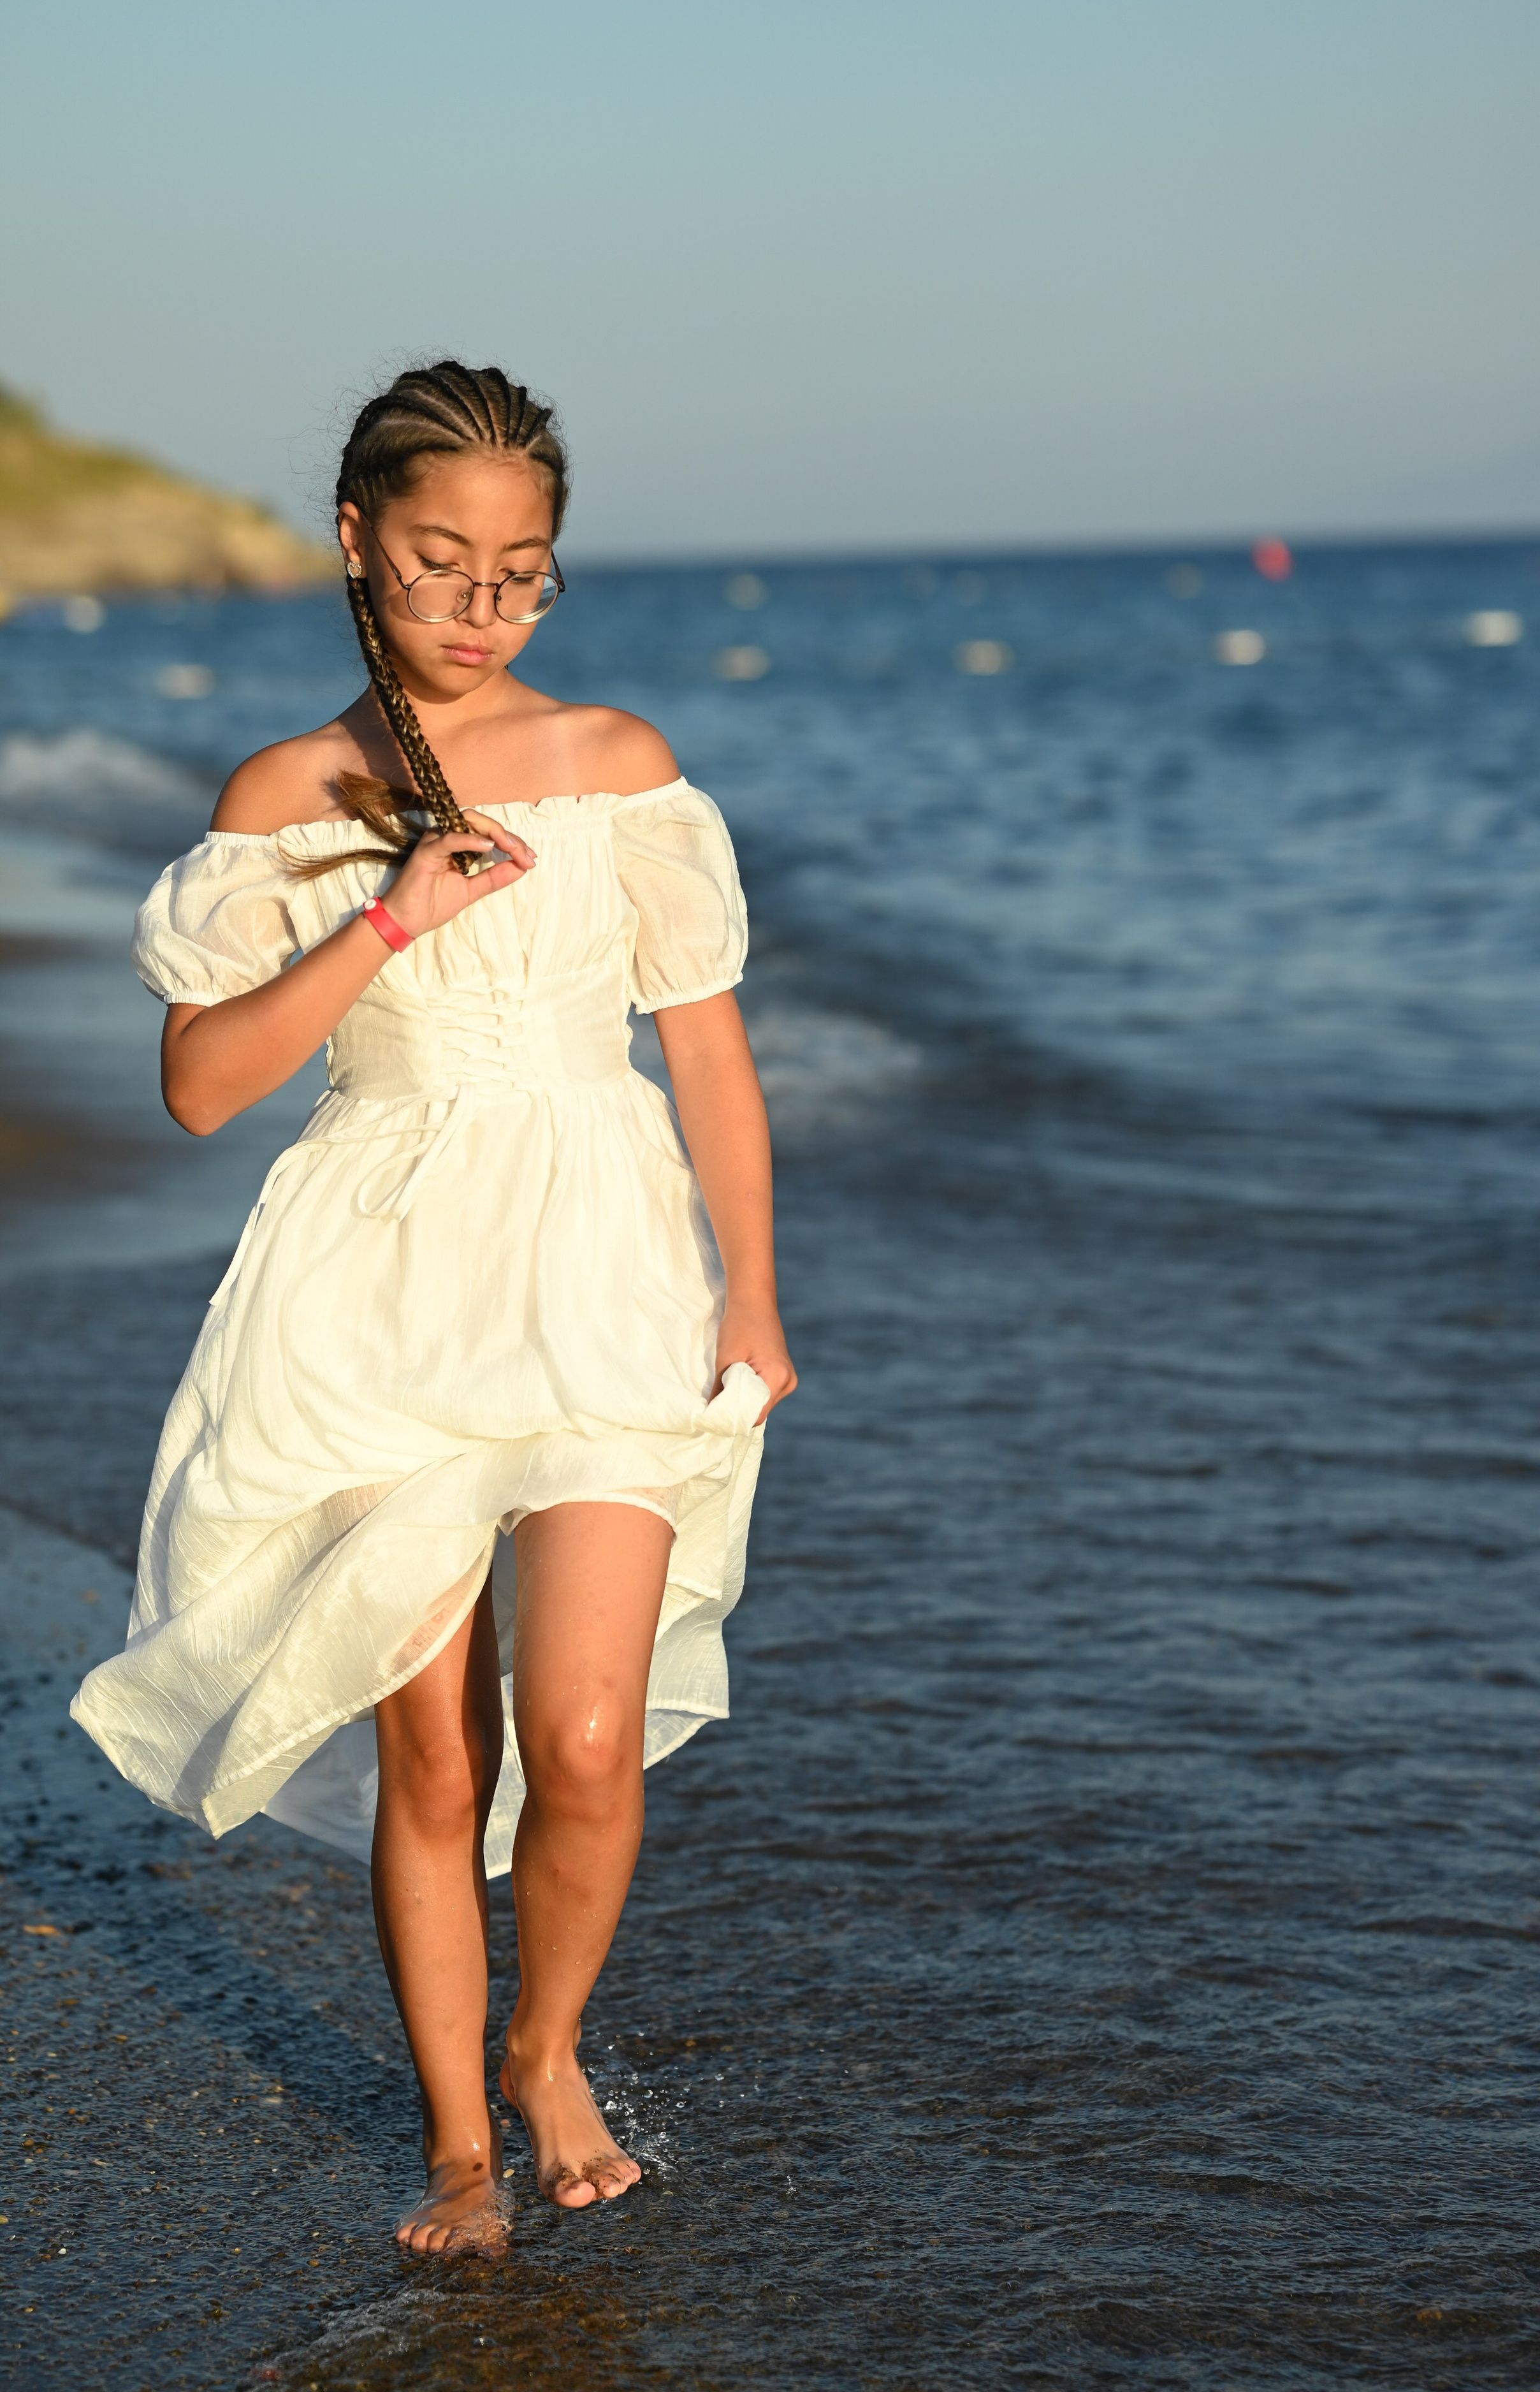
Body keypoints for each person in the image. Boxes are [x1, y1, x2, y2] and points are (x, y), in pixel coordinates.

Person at [72, 360, 795, 2253]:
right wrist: (390, 911)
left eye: (522, 572)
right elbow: (204, 1087)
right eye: (439, 563)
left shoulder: (623, 765)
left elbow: (709, 1059)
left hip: (600, 1262)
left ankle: (545, 2046)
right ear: (354, 542)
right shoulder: (289, 796)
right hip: (379, 1282)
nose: (481, 609)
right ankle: (461, 2146)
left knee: (578, 1731)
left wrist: (759, 1298)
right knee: (434, 1749)